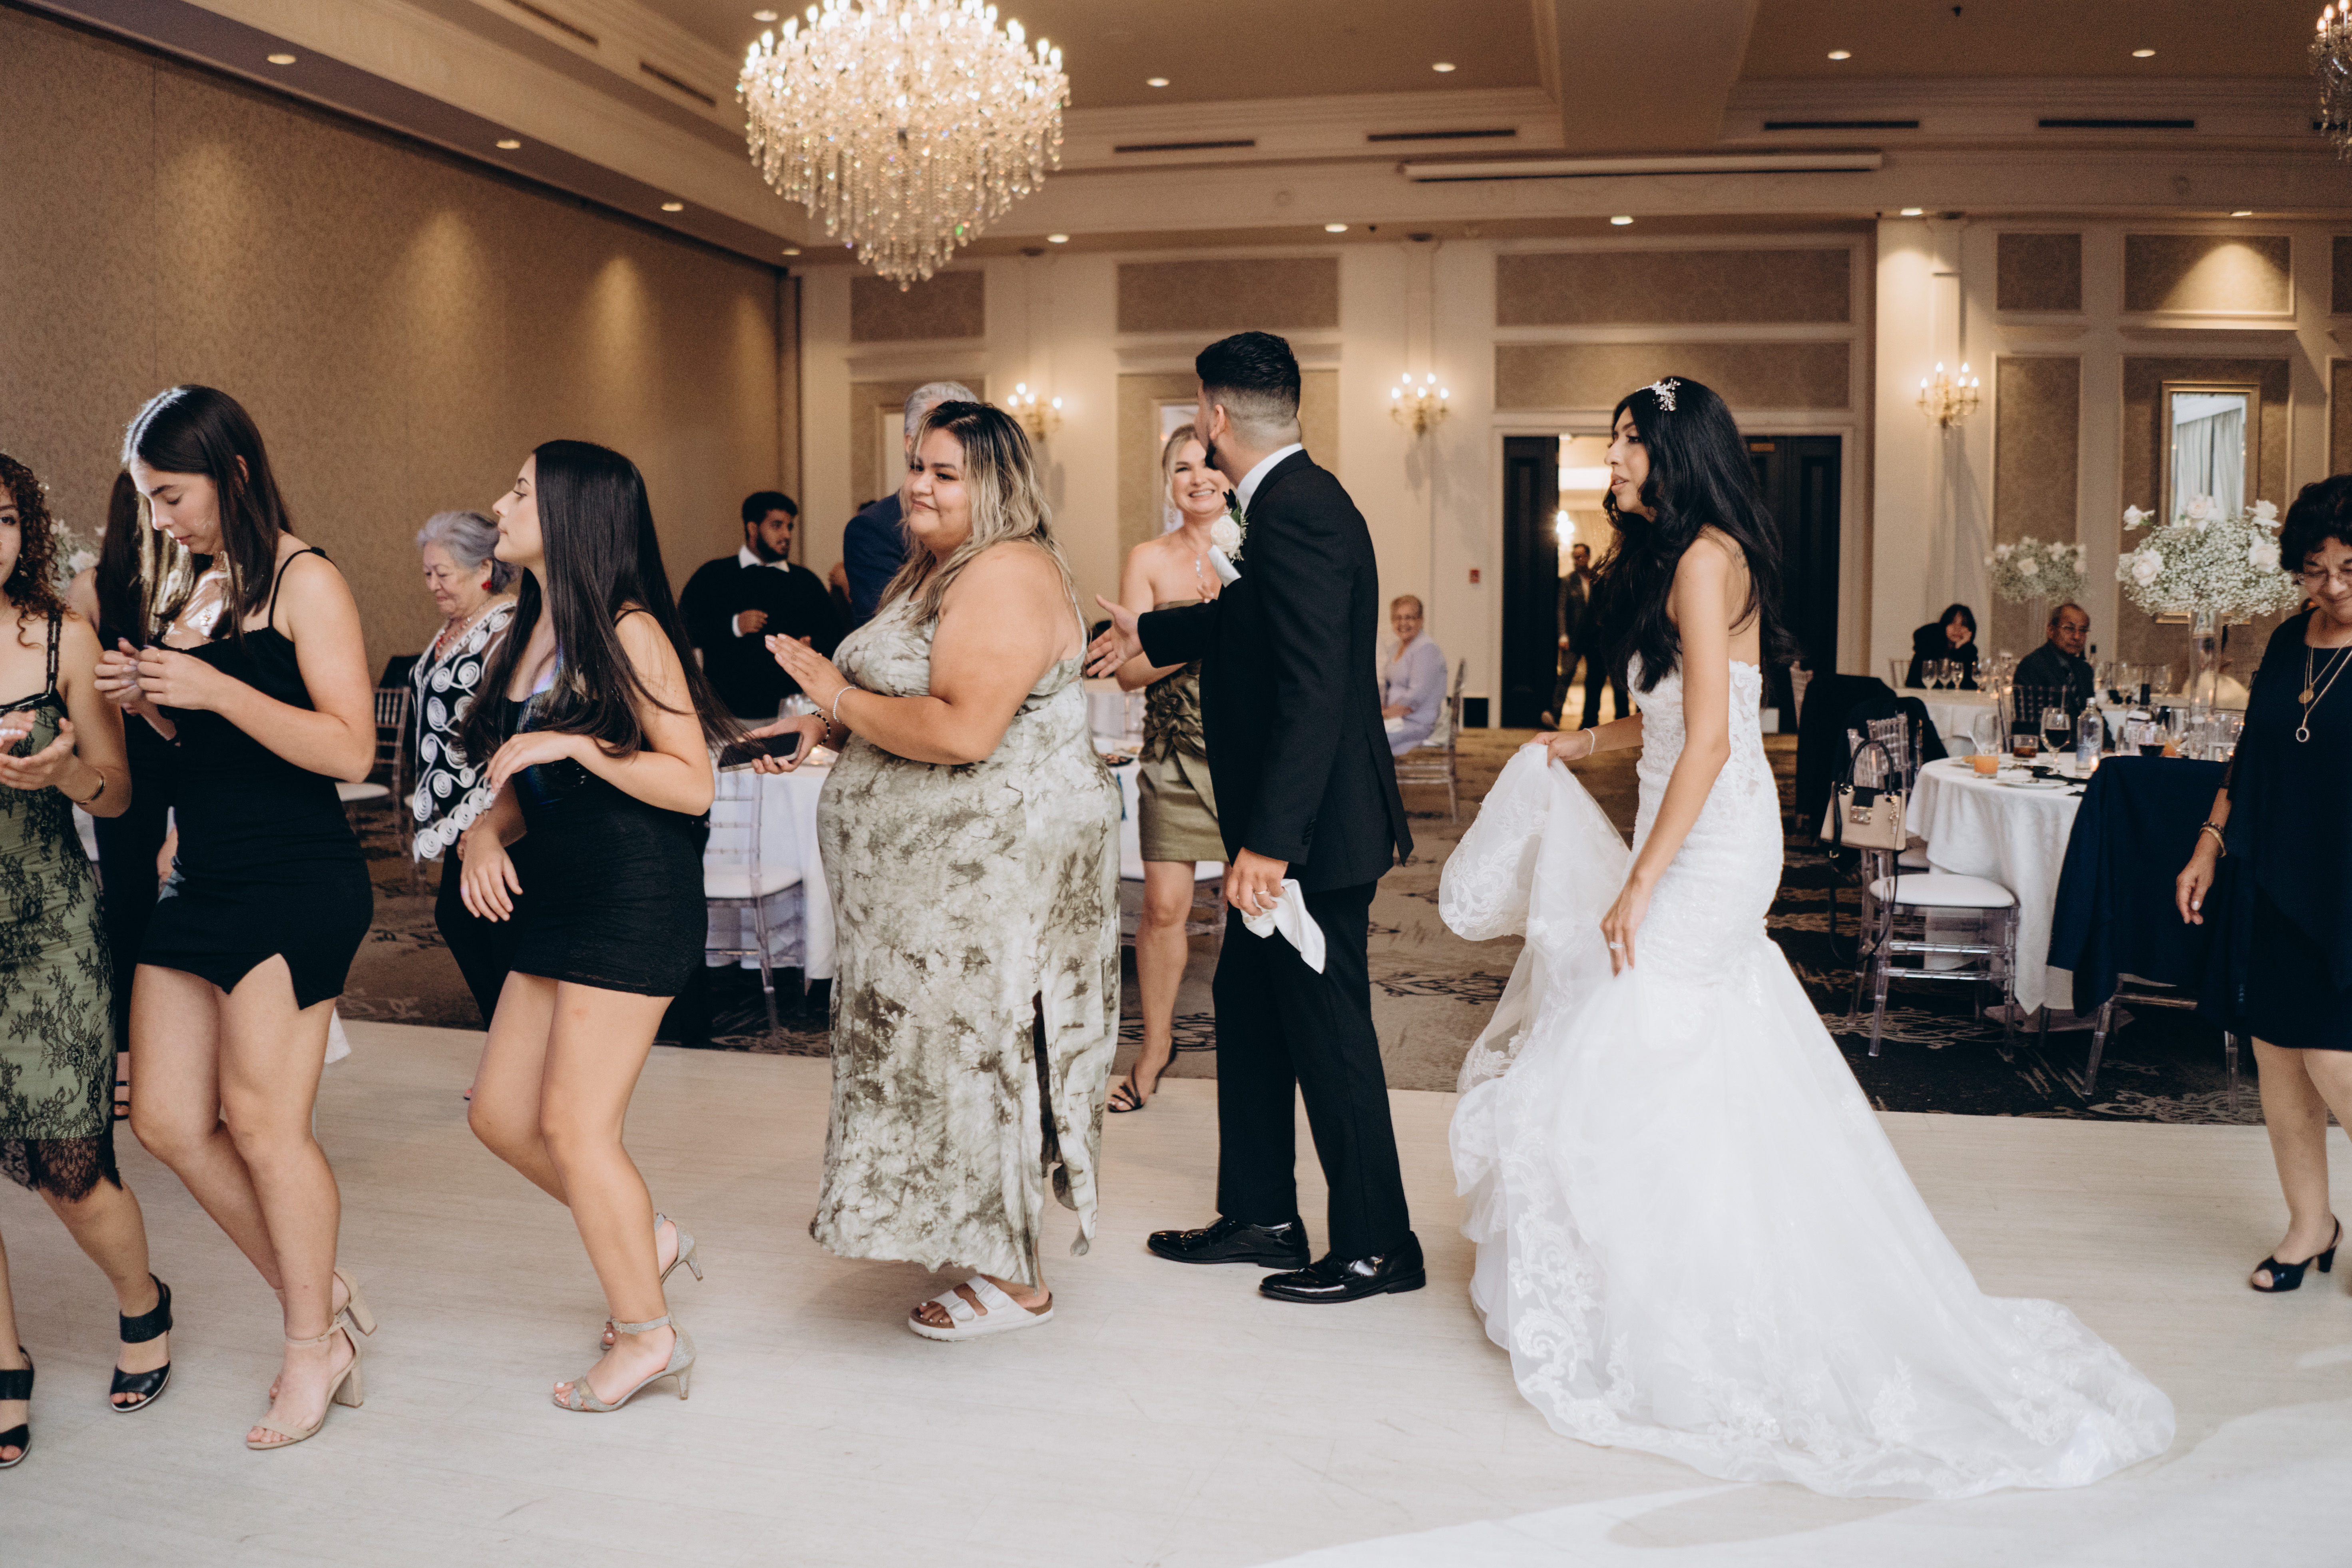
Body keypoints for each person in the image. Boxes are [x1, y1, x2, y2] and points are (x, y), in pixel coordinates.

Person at [1443, 375, 2173, 1496]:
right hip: (1694, 825)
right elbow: (1676, 714)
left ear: (1677, 452)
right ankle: (1676, 1277)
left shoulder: (1703, 561)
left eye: (1629, 441)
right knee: (1682, 1046)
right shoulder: (1691, 555)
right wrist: (1584, 744)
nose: (1613, 458)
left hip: (1706, 844)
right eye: (1612, 441)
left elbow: (1710, 746)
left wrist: (1641, 878)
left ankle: (1689, 1303)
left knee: (1639, 1028)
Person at [751, 400, 1117, 1340]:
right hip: (925, 900)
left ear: (995, 484)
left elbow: (961, 728)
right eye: (915, 464)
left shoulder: (1006, 571)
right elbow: (898, 687)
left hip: (984, 887)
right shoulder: (937, 569)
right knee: (938, 1061)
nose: (917, 484)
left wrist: (833, 692)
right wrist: (819, 723)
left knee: (985, 1060)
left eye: (944, 472)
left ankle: (1017, 1278)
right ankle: (966, 1236)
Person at [1087, 331, 1419, 1305]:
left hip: (1308, 832)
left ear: (1215, 414)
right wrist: (1148, 627)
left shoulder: (1297, 509)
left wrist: (1268, 843)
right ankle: (1262, 1213)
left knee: (1328, 1027)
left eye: (1199, 409)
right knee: (1249, 1007)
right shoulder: (1280, 502)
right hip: (1287, 821)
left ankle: (1378, 1244)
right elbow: (1250, 619)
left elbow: (1314, 687)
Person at [101, 386, 381, 1451]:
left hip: (293, 878)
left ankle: (311, 1343)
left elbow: (347, 748)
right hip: (202, 875)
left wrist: (212, 691)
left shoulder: (308, 581)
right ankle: (319, 1290)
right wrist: (155, 701)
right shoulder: (200, 583)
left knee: (265, 1125)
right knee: (167, 1119)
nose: (159, 518)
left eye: (171, 495)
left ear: (236, 473)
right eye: (148, 498)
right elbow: (214, 744)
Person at [456, 441, 736, 1411]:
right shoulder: (529, 624)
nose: (500, 504)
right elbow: (521, 777)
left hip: (633, 895)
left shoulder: (631, 629)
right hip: (561, 893)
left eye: (520, 490)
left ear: (573, 512)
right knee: (498, 1114)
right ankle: (646, 1235)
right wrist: (483, 834)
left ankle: (649, 1335)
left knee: (577, 1128)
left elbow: (691, 782)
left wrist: (575, 744)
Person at [0, 451, 157, 1470]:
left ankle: (142, 1302)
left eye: (3, 518)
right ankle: (2, 1355)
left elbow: (119, 791)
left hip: (49, 925)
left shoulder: (63, 635)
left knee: (71, 1164)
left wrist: (63, 774)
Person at [2178, 475, 2352, 1295]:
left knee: (2334, 1056)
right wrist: (2208, 842)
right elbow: (2250, 755)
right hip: (2280, 876)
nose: (2333, 587)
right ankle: (2310, 1224)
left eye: (2349, 568)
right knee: (2278, 1056)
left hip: (2346, 887)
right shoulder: (2289, 641)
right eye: (2315, 570)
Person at [1104, 422, 1228, 1113]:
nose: (1197, 477)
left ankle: (1265, 1048)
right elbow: (1127, 670)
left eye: (1208, 463)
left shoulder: (1264, 552)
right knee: (1161, 908)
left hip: (1250, 754)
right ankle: (1155, 1047)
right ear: (1168, 482)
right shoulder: (1148, 558)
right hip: (1175, 752)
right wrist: (1208, 627)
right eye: (1182, 467)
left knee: (1258, 907)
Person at [66, 472, 185, 1122]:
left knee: (194, 900)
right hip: (127, 759)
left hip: (190, 751)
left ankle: (188, 1049)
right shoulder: (94, 585)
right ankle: (126, 1053)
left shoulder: (195, 579)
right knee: (130, 902)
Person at [408, 510, 520, 1026]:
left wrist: (491, 814)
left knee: (485, 922)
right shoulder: (455, 625)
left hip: (491, 803)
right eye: (428, 573)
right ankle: (509, 1042)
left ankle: (514, 1043)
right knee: (465, 919)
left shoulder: (505, 625)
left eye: (443, 573)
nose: (433, 584)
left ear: (484, 569)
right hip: (455, 803)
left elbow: (512, 724)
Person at [677, 491, 840, 721]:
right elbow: (681, 634)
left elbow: (837, 637)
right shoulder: (713, 576)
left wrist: (814, 643)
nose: (786, 535)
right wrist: (734, 625)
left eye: (789, 527)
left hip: (794, 715)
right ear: (753, 528)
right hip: (727, 716)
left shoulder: (806, 581)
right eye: (777, 526)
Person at [840, 381, 977, 625]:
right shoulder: (873, 528)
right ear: (910, 443)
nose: (947, 439)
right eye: (935, 427)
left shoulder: (999, 531)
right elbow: (886, 634)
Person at [1380, 595, 1447, 754]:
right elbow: (1387, 685)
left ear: (1421, 620)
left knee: (1370, 740)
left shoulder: (1426, 649)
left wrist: (1384, 715)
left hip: (1417, 724)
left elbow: (1415, 699)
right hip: (1396, 720)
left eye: (1409, 618)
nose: (1403, 623)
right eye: (1398, 618)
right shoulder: (1395, 648)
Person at [1541, 541, 1595, 729]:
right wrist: (1563, 635)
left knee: (1594, 679)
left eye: (1581, 556)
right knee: (1566, 675)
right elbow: (1562, 609)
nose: (1578, 560)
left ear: (1588, 557)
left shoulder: (1596, 579)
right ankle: (1555, 715)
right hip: (1573, 637)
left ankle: (1589, 721)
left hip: (1594, 637)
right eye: (1575, 557)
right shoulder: (1568, 581)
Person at [2015, 601, 2092, 698]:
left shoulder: (2085, 670)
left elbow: (2090, 705)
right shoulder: (2032, 666)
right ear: (2051, 630)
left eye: (2083, 630)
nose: (2077, 637)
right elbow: (2030, 707)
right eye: (2069, 628)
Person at [1906, 602, 1981, 688]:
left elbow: (1970, 686)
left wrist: (1960, 649)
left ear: (1970, 630)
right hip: (1920, 693)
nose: (1957, 629)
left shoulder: (1969, 651)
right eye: (1952, 623)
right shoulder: (1929, 644)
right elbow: (1940, 684)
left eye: (1963, 625)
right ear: (1945, 625)